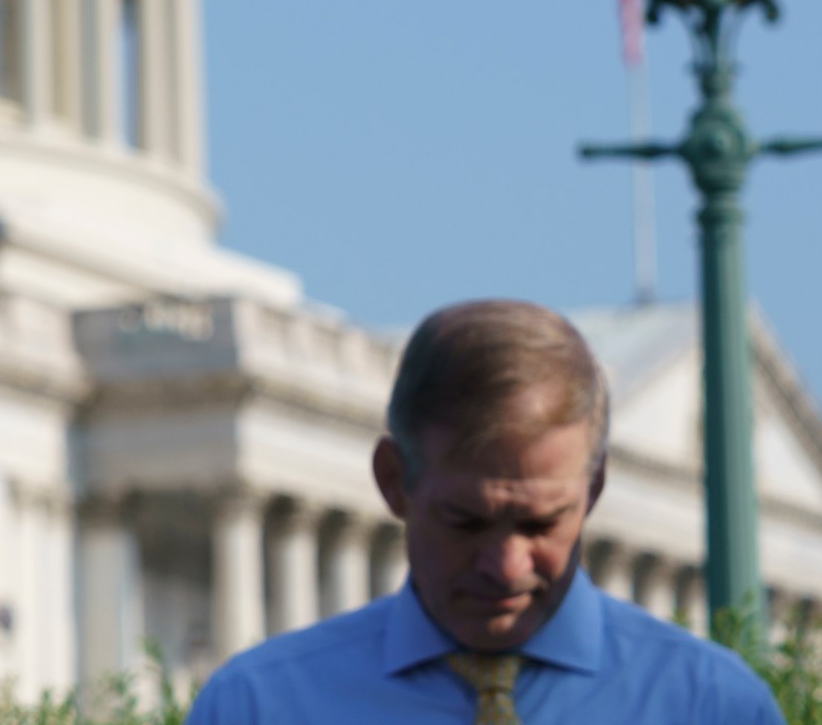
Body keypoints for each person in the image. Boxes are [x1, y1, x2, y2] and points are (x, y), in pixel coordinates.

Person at [187, 299, 780, 723]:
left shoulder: (712, 706)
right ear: (394, 482)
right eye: (466, 522)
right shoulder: (257, 707)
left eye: (541, 523)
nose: (505, 566)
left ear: (593, 490)